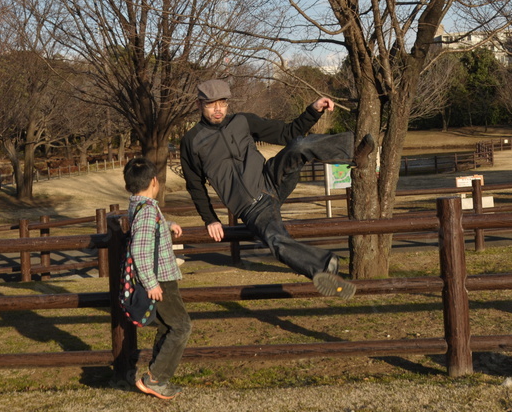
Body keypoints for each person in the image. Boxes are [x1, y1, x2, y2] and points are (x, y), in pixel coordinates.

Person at [180, 79, 375, 299]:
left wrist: (313, 110)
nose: (218, 109)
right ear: (199, 105)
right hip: (251, 207)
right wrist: (210, 219)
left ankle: (354, 153)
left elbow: (287, 133)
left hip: (271, 178)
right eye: (211, 104)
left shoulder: (242, 121)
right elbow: (194, 184)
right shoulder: (192, 141)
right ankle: (324, 268)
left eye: (222, 103)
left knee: (299, 146)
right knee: (276, 240)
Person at [124, 156, 191, 401]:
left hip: (160, 279)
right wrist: (151, 284)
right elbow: (140, 251)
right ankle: (155, 379)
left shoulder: (140, 206)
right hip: (160, 280)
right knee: (182, 327)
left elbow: (146, 230)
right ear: (155, 181)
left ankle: (157, 379)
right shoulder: (147, 210)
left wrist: (167, 224)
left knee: (167, 327)